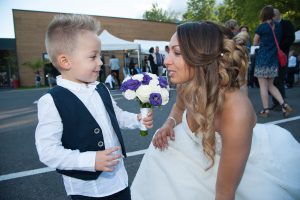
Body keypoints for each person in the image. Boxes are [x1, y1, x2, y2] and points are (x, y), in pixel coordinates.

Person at [131, 21, 300, 200]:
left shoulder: (236, 110)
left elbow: (225, 194)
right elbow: (179, 108)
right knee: (158, 156)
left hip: (243, 166)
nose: (166, 61)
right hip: (197, 152)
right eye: (168, 51)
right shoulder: (186, 84)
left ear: (201, 56)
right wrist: (169, 123)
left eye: (177, 53)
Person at [35, 14, 153, 200]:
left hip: (119, 181)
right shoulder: (52, 101)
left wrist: (137, 120)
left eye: (100, 56)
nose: (100, 62)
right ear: (65, 61)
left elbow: (116, 116)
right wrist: (91, 160)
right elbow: (48, 151)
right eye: (93, 57)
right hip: (88, 190)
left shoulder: (100, 88)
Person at [253, 5, 292, 118]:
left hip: (262, 60)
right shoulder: (279, 26)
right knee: (271, 85)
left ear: (264, 14)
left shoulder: (261, 27)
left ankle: (265, 110)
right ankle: (284, 105)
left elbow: (255, 42)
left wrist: (262, 42)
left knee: (263, 86)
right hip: (273, 59)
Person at [271, 8, 295, 110]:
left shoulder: (286, 24)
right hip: (271, 56)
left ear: (279, 14)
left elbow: (291, 38)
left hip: (282, 55)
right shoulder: (270, 25)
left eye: (274, 14)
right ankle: (276, 102)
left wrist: (279, 47)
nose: (273, 16)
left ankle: (281, 103)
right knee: (272, 80)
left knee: (279, 78)